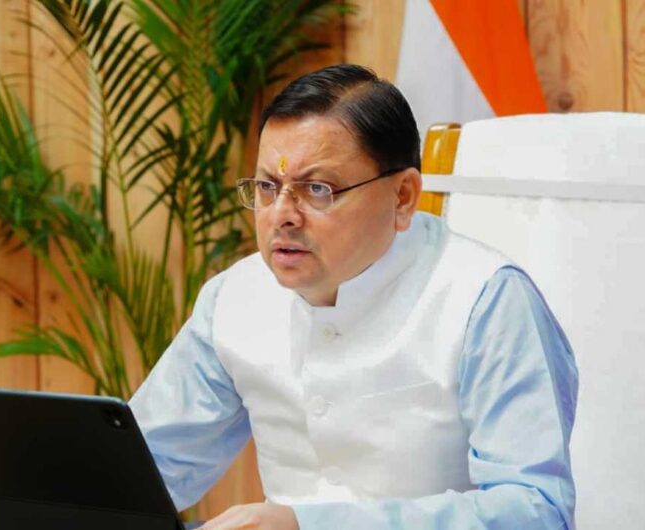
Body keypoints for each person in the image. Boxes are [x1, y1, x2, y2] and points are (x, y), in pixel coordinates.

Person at [130, 64, 578, 530]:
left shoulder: (486, 299)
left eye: (317, 189)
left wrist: (311, 526)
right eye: (267, 187)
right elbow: (142, 472)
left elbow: (536, 512)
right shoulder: (234, 297)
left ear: (403, 196)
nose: (282, 215)